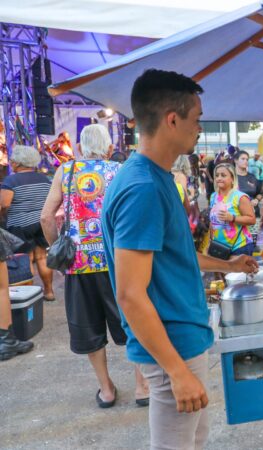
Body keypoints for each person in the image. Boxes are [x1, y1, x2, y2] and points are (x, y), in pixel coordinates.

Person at [102, 69, 257, 449]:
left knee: (194, 440)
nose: (200, 128)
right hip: (172, 346)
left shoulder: (157, 178)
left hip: (184, 338)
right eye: (197, 118)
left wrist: (229, 265)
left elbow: (174, 258)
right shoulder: (142, 188)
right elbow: (130, 294)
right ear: (173, 119)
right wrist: (176, 371)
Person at [40, 124, 149, 408]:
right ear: (110, 148)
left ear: (79, 148)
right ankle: (142, 386)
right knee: (133, 323)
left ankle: (107, 390)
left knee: (89, 329)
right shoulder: (121, 171)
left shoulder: (67, 171)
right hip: (119, 263)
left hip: (78, 265)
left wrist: (56, 249)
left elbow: (46, 218)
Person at [0, 145, 54, 301]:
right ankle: (49, 292)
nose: (10, 162)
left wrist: (3, 216)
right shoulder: (44, 179)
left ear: (18, 162)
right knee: (42, 257)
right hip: (41, 223)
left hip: (19, 225)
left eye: (12, 160)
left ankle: (28, 295)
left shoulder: (11, 180)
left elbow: (4, 204)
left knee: (26, 258)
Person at [209, 163, 257, 257]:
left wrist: (233, 218)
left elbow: (252, 219)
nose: (219, 178)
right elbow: (212, 221)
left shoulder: (240, 197)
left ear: (232, 179)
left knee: (236, 272)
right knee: (220, 271)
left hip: (239, 246)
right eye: (217, 175)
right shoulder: (213, 196)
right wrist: (211, 239)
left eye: (223, 175)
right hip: (219, 246)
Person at [233, 150, 263, 219]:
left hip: (254, 214)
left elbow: (260, 193)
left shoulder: (252, 177)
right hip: (237, 215)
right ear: (236, 160)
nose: (246, 161)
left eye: (247, 159)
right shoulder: (231, 177)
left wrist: (256, 200)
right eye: (243, 159)